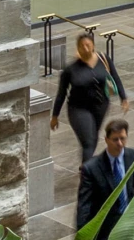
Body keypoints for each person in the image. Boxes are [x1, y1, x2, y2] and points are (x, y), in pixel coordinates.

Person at [75, 117, 134, 240]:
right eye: (115, 139)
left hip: (133, 228)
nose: (120, 144)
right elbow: (85, 205)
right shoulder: (91, 168)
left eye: (123, 138)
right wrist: (83, 238)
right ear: (106, 140)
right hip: (106, 233)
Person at [50, 32, 126, 166]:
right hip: (78, 108)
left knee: (93, 136)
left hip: (100, 106)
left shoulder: (104, 59)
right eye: (81, 46)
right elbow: (61, 93)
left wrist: (123, 98)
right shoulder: (70, 69)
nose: (85, 48)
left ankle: (86, 165)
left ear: (93, 46)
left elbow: (115, 78)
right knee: (88, 141)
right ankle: (87, 173)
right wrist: (55, 115)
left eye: (88, 45)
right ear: (77, 48)